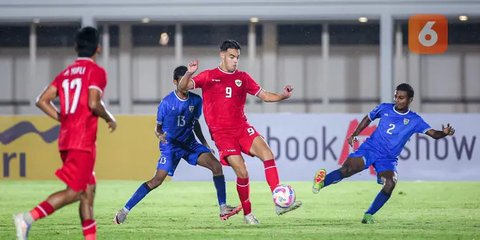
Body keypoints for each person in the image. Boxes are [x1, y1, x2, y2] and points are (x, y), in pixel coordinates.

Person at [178, 40, 302, 225]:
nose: (235, 61)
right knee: (242, 173)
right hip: (222, 134)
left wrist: (283, 96)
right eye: (231, 57)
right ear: (222, 55)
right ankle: (248, 214)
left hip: (242, 128)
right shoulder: (209, 76)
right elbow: (182, 88)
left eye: (237, 57)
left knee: (267, 154)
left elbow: (265, 95)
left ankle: (279, 201)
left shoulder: (243, 77)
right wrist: (189, 72)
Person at [13, 26, 117, 240]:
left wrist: (63, 118)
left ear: (76, 47)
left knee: (88, 192)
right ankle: (27, 218)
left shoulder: (65, 74)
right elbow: (93, 102)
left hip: (67, 138)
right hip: (82, 140)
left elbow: (41, 100)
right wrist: (109, 117)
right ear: (98, 48)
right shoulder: (96, 72)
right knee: (76, 192)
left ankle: (90, 238)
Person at [114, 66, 242, 224]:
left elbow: (195, 124)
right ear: (175, 82)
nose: (186, 83)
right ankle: (124, 211)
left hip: (189, 144)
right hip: (171, 146)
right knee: (157, 180)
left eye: (188, 80)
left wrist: (204, 143)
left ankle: (223, 208)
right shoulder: (166, 103)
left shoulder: (196, 100)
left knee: (216, 166)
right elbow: (158, 128)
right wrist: (158, 135)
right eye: (182, 80)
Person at [312, 83, 455, 224]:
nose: (397, 100)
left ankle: (368, 215)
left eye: (401, 98)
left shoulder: (415, 120)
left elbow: (434, 134)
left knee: (390, 183)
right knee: (347, 169)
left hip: (388, 159)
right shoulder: (384, 108)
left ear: (410, 100)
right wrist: (355, 134)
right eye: (396, 96)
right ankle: (320, 183)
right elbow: (368, 118)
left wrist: (444, 133)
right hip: (370, 149)